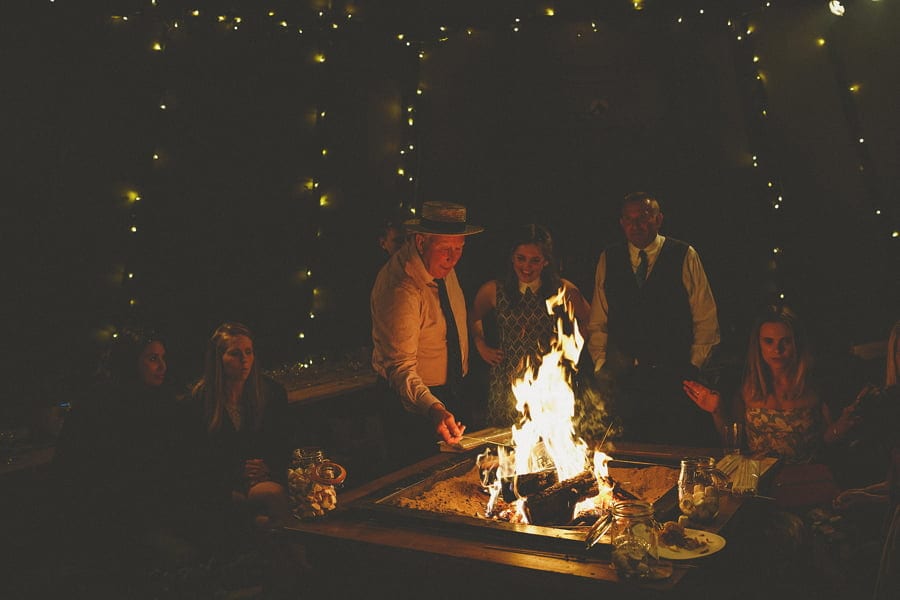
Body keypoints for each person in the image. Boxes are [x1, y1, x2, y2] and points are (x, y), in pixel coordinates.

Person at [53, 327, 193, 572]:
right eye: (152, 358)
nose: (163, 366)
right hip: (110, 523)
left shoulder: (157, 401)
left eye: (163, 358)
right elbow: (97, 480)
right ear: (130, 362)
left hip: (149, 511)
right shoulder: (99, 405)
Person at [587, 191, 720, 445]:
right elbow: (598, 319)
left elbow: (706, 318)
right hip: (624, 380)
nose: (636, 225)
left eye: (643, 218)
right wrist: (601, 364)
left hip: (673, 377)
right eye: (629, 219)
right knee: (628, 457)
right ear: (622, 223)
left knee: (672, 450)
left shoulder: (684, 254)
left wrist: (692, 366)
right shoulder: (609, 258)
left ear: (658, 220)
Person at [371, 200, 483, 466]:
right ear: (421, 242)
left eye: (459, 248)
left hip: (451, 391)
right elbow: (400, 368)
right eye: (446, 248)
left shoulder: (441, 264)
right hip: (414, 405)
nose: (453, 258)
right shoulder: (401, 288)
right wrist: (434, 409)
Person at [684, 306, 851, 463]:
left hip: (805, 479)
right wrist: (717, 411)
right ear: (759, 345)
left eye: (785, 341)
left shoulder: (815, 386)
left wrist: (844, 425)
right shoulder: (747, 388)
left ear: (797, 343)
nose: (777, 350)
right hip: (758, 479)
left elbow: (827, 443)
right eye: (769, 341)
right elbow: (734, 443)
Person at [469, 224, 591, 427]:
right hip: (506, 384)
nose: (527, 267)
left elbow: (590, 319)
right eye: (521, 258)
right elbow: (472, 316)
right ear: (512, 258)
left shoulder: (563, 290)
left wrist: (570, 351)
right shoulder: (493, 290)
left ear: (545, 261)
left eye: (535, 260)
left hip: (550, 383)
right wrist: (480, 345)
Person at [187, 322, 292, 531]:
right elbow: (195, 458)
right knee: (269, 510)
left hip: (262, 479)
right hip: (222, 484)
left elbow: (284, 442)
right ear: (219, 359)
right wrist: (235, 472)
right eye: (235, 354)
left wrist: (268, 466)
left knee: (271, 511)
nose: (244, 360)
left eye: (248, 352)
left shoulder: (270, 393)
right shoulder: (201, 400)